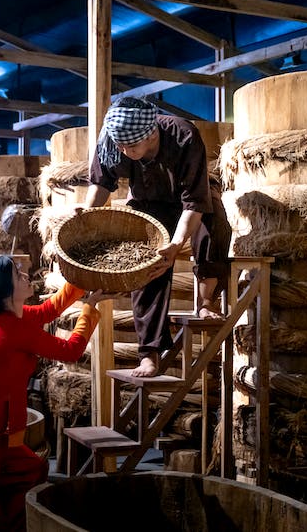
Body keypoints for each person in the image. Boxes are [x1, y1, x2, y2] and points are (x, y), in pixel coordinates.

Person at [0, 255, 108, 532]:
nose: (26, 276)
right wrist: (88, 309)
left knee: (29, 471)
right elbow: (70, 351)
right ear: (4, 292)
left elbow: (44, 312)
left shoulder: (3, 314)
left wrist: (78, 283)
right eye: (18, 275)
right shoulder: (10, 330)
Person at [87, 96, 231, 378]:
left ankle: (205, 303)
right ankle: (149, 354)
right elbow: (102, 182)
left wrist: (176, 245)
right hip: (147, 202)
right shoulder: (113, 139)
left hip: (190, 198)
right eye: (120, 146)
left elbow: (195, 203)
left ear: (152, 134)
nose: (124, 151)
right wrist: (83, 213)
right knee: (148, 264)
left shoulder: (183, 135)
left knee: (214, 227)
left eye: (131, 146)